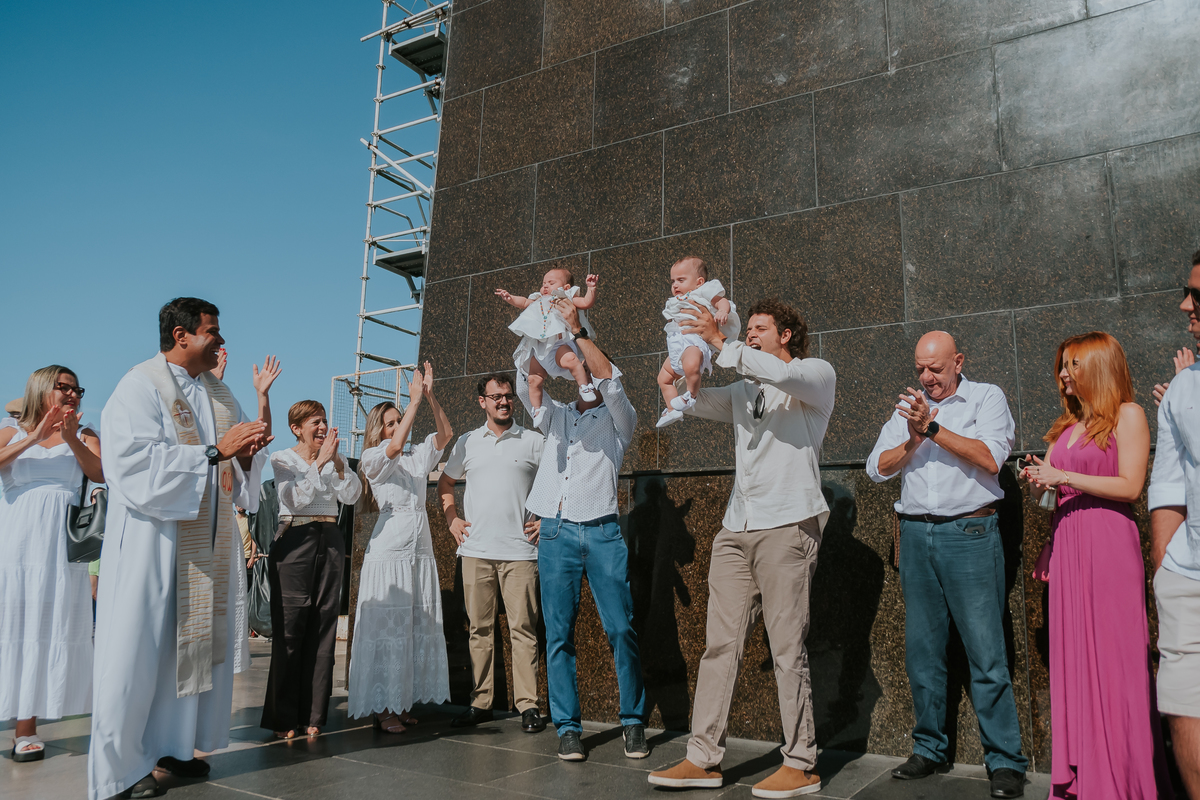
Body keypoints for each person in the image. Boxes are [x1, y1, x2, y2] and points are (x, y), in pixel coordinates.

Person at [88, 298, 276, 800]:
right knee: (136, 655)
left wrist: (246, 455)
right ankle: (118, 772)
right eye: (212, 331)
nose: (219, 340)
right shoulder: (139, 387)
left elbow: (236, 464)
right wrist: (216, 452)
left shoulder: (218, 392)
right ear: (181, 335)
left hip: (203, 547)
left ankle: (173, 747)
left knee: (181, 651)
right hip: (152, 545)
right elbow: (130, 466)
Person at [649, 298, 835, 799]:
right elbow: (688, 403)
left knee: (786, 648)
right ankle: (702, 758)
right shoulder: (741, 388)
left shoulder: (815, 376)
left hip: (788, 524)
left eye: (759, 328)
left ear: (786, 335)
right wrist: (672, 379)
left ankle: (801, 762)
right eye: (746, 329)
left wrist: (719, 340)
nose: (749, 334)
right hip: (737, 528)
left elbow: (775, 374)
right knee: (719, 646)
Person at [864, 332, 1027, 798]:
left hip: (970, 534)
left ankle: (1005, 760)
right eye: (919, 369)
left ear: (958, 361)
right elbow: (877, 467)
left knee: (985, 649)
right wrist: (914, 439)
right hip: (916, 534)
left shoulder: (985, 398)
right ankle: (929, 748)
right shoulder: (909, 409)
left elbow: (991, 458)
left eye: (935, 368)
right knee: (923, 650)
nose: (926, 378)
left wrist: (933, 429)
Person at [1021, 332, 1173, 799]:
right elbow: (1052, 496)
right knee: (1077, 664)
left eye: (1073, 364)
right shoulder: (1066, 427)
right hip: (1069, 543)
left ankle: (1123, 781)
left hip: (1109, 546)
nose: (1064, 374)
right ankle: (1085, 778)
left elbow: (1130, 487)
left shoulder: (1129, 415)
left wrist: (1062, 475)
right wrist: (1037, 483)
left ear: (1100, 366)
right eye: (1062, 365)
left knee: (1116, 661)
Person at [514, 296, 649, 763]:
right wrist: (542, 318)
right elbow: (531, 379)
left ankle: (633, 722)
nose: (579, 377)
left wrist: (578, 335)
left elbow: (611, 381)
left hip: (604, 533)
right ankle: (568, 728)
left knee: (621, 629)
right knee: (558, 633)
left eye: (585, 374)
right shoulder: (554, 417)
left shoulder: (618, 420)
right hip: (555, 534)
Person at [0, 366, 102, 762]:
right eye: (64, 387)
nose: (73, 394)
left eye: (77, 388)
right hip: (15, 548)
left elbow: (100, 473)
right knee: (11, 626)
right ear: (43, 389)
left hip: (60, 548)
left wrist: (72, 439)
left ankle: (26, 728)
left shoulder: (87, 432)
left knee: (48, 627)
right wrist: (35, 438)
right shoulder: (10, 430)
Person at [348, 362, 453, 734]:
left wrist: (429, 397)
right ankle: (382, 708)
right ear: (379, 429)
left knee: (410, 628)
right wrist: (410, 406)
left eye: (399, 421)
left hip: (418, 553)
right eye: (389, 422)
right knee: (386, 632)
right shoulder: (375, 459)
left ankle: (401, 700)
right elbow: (393, 446)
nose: (398, 428)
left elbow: (445, 434)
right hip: (388, 555)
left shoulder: (413, 461)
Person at [438, 373, 546, 732]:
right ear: (481, 401)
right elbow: (446, 481)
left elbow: (560, 479)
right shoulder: (468, 442)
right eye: (495, 396)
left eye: (508, 396)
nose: (503, 401)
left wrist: (546, 518)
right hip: (476, 551)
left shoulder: (533, 440)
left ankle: (528, 706)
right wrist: (452, 518)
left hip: (521, 552)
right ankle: (481, 702)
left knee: (523, 630)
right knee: (479, 630)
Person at [261, 401, 362, 739]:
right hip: (295, 539)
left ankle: (315, 715)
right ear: (297, 427)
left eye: (324, 421)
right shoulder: (282, 459)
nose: (322, 428)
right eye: (315, 422)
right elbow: (295, 500)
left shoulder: (335, 457)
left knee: (323, 627)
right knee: (290, 629)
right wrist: (319, 464)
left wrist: (339, 466)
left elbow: (352, 496)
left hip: (331, 538)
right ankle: (284, 717)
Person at [1149, 251, 1200, 800]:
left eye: (1199, 297)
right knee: (1185, 707)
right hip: (1187, 575)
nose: (1187, 305)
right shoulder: (1182, 391)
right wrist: (1166, 564)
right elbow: (1166, 483)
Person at [496, 268, 598, 415]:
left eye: (551, 283)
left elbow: (586, 302)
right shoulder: (538, 300)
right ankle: (537, 409)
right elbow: (524, 302)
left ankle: (584, 387)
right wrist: (510, 298)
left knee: (571, 359)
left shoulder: (566, 297)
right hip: (539, 350)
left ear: (566, 287)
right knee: (533, 379)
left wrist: (591, 288)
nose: (545, 286)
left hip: (558, 346)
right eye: (544, 283)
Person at [655, 256, 739, 428]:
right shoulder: (676, 300)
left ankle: (690, 395)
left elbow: (720, 300)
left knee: (692, 365)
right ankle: (673, 409)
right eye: (672, 281)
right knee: (663, 378)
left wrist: (723, 311)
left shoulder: (703, 292)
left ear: (699, 282)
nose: (675, 285)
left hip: (693, 342)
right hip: (676, 346)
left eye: (681, 280)